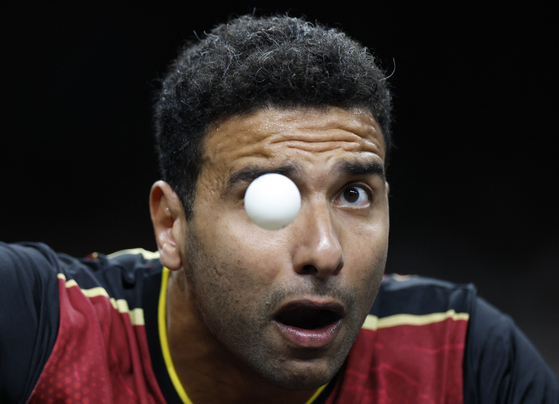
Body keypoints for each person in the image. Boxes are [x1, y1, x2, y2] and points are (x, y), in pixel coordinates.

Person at [0, 14, 557, 404]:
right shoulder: (39, 326)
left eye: (354, 194)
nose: (324, 250)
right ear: (171, 225)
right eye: (270, 197)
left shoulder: (463, 360)